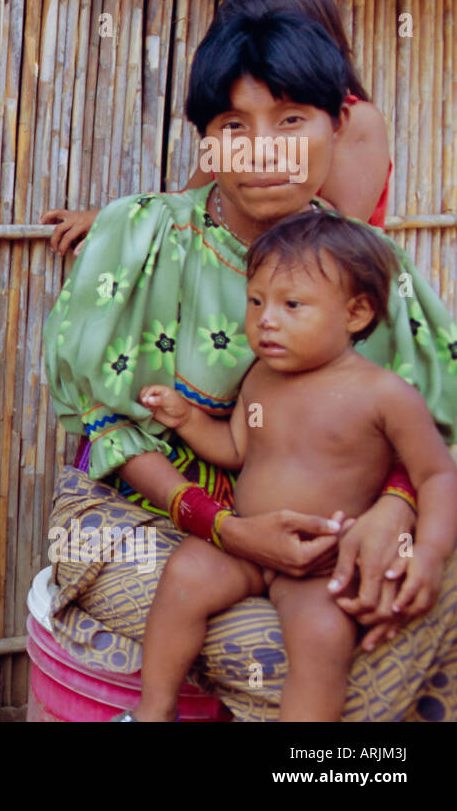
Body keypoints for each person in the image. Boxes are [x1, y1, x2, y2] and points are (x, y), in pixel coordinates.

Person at [41, 10, 457, 721]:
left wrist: (396, 510)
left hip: (325, 538)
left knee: (411, 603)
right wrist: (227, 527)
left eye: (293, 121)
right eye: (234, 126)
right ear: (208, 142)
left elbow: (434, 426)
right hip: (137, 519)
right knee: (274, 654)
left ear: (337, 127)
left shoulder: (367, 264)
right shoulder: (142, 235)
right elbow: (112, 420)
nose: (264, 151)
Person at [117, 212, 457, 721]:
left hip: (323, 561)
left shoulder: (385, 395)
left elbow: (436, 474)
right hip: (247, 541)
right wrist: (186, 419)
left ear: (357, 313)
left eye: (291, 305)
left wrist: (427, 555)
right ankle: (154, 710)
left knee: (322, 639)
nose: (265, 320)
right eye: (256, 302)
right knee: (183, 576)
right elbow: (236, 449)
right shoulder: (260, 378)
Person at [41, 0, 392, 254]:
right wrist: (111, 220)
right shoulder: (231, 131)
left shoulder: (356, 119)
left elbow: (344, 235)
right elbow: (189, 201)